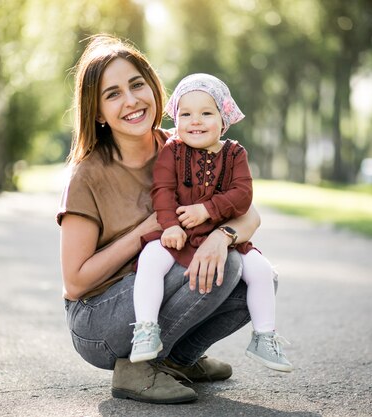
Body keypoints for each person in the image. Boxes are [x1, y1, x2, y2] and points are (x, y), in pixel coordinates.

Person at [58, 34, 264, 404]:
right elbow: (75, 284)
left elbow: (249, 214)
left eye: (137, 85)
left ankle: (177, 361)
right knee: (217, 266)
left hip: (158, 287)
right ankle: (136, 369)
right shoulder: (87, 176)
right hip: (98, 319)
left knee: (251, 279)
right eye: (113, 94)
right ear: (96, 112)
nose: (132, 100)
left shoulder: (183, 144)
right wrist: (144, 230)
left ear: (154, 88)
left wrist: (222, 236)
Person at [130, 73, 293, 373]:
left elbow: (242, 195)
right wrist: (170, 225)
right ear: (176, 119)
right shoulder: (172, 151)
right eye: (186, 114)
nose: (195, 121)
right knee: (151, 259)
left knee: (261, 271)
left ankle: (264, 336)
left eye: (206, 113)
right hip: (179, 232)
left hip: (220, 233)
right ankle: (145, 329)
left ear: (223, 118)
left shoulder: (234, 154)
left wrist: (207, 210)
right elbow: (162, 191)